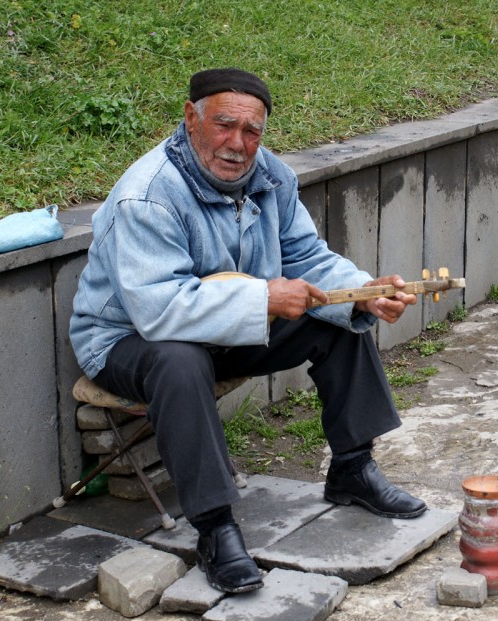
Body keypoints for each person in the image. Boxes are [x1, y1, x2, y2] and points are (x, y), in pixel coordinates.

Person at [69, 68, 427, 594]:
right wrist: (263, 297)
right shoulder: (146, 195)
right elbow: (158, 309)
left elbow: (306, 259)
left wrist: (362, 290)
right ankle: (215, 528)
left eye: (252, 131)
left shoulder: (272, 177)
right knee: (178, 359)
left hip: (226, 325)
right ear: (191, 119)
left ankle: (352, 467)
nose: (237, 144)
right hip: (125, 340)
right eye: (224, 125)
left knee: (335, 319)